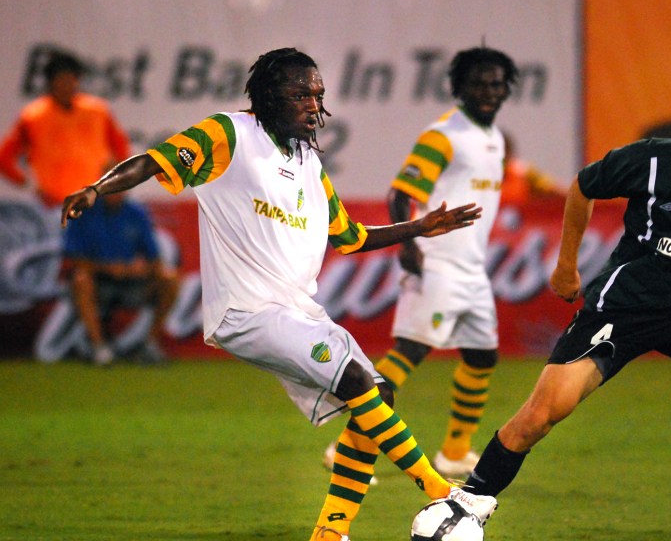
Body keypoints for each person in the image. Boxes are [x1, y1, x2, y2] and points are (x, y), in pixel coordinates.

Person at [61, 48, 498, 541]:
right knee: (355, 378)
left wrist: (418, 226)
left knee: (380, 393)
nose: (313, 105)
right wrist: (96, 189)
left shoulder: (309, 161)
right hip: (246, 311)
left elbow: (349, 236)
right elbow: (152, 160)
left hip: (296, 312)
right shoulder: (228, 135)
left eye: (318, 96)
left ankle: (330, 534)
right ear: (268, 97)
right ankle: (442, 491)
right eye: (299, 95)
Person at [463, 90, 671, 501]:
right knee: (543, 413)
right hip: (627, 303)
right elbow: (584, 185)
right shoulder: (653, 161)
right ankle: (466, 504)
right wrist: (566, 264)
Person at [364, 46, 518, 479]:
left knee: (482, 356)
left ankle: (454, 451)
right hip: (437, 264)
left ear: (507, 89)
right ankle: (346, 447)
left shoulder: (494, 137)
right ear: (459, 87)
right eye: (478, 83)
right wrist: (409, 245)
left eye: (496, 83)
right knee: (410, 352)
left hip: (472, 269)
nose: (488, 91)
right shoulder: (443, 135)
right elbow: (400, 193)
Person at [0, 50, 130, 207]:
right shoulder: (34, 116)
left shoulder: (97, 111)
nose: (66, 86)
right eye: (60, 80)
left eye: (70, 80)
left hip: (92, 202)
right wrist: (29, 185)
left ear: (78, 80)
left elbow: (121, 149)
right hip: (50, 205)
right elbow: (4, 158)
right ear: (50, 83)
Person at [62, 190, 178, 365]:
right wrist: (107, 268)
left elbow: (155, 259)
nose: (115, 189)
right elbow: (73, 259)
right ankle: (99, 348)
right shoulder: (83, 212)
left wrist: (138, 269)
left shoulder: (136, 213)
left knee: (169, 278)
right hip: (98, 282)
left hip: (131, 282)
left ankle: (149, 344)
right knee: (80, 279)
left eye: (120, 182)